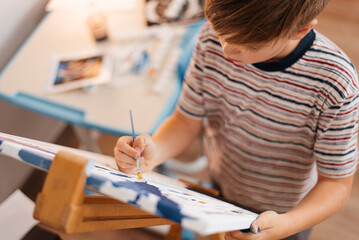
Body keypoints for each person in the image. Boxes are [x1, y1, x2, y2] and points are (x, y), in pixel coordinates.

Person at [114, 0, 358, 239]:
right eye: (221, 31)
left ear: (300, 30)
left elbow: (336, 184)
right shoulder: (210, 38)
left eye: (250, 45)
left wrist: (286, 225)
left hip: (287, 213)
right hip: (224, 187)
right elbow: (185, 121)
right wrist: (155, 152)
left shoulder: (336, 83)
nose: (226, 50)